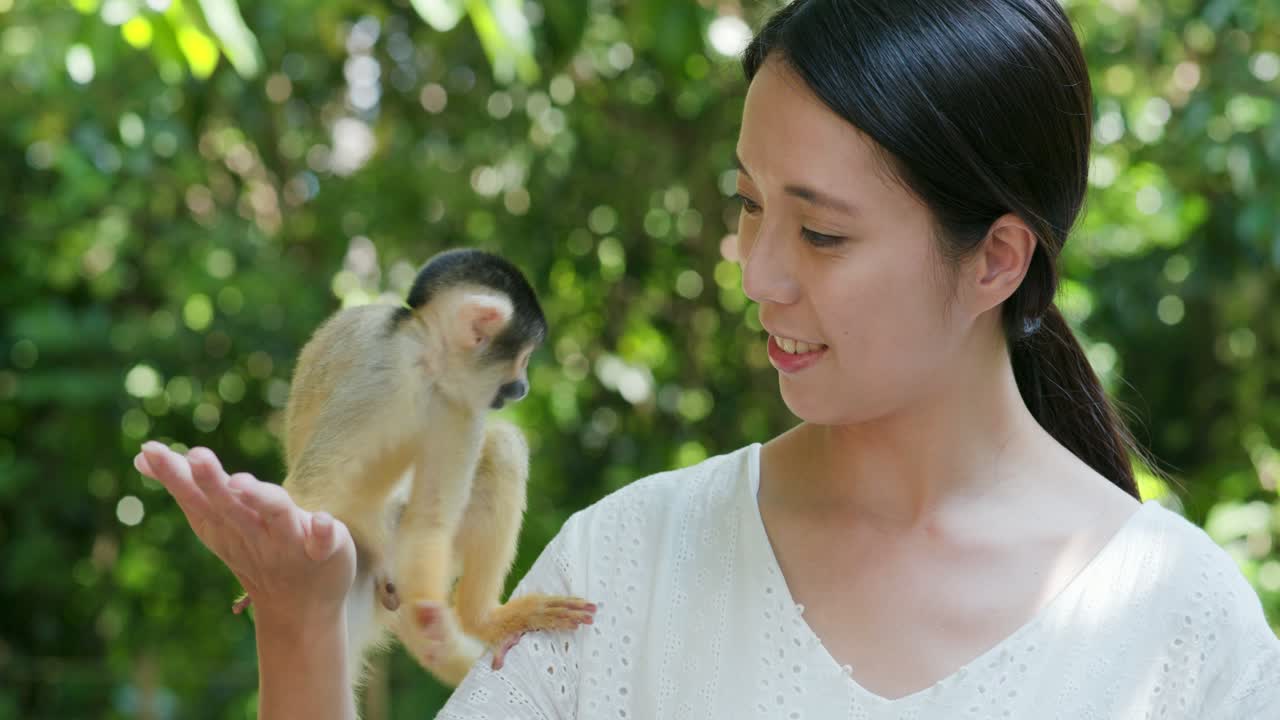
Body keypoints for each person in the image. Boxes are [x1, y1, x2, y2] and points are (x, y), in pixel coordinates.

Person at [135, 0, 1280, 717]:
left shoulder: (1179, 628)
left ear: (993, 261)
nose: (755, 271)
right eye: (745, 207)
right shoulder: (627, 565)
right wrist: (299, 621)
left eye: (820, 232)